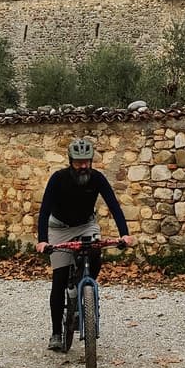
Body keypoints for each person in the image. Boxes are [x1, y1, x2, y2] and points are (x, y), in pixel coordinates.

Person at [35, 136, 135, 351]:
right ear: (71, 161)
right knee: (59, 280)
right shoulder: (58, 178)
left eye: (87, 162)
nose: (83, 166)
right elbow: (44, 211)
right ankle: (55, 333)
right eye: (79, 162)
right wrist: (42, 240)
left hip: (86, 225)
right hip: (59, 228)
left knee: (95, 255)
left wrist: (124, 234)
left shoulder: (97, 178)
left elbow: (113, 205)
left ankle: (82, 293)